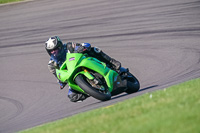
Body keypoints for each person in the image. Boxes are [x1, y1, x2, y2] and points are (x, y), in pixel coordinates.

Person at [45, 36, 121, 102]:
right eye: (51, 51)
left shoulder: (69, 46)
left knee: (94, 50)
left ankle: (112, 62)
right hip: (71, 74)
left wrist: (82, 48)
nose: (53, 52)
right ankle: (91, 90)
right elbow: (57, 75)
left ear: (60, 47)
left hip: (83, 62)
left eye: (55, 49)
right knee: (72, 96)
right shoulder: (51, 64)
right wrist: (61, 82)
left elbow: (84, 45)